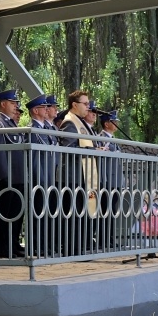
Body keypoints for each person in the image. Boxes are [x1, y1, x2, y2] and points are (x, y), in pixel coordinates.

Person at [59, 90, 99, 255]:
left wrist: (95, 149)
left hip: (84, 175)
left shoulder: (81, 123)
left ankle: (81, 247)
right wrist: (93, 150)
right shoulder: (69, 123)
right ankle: (73, 249)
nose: (88, 107)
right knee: (74, 214)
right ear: (75, 105)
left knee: (82, 213)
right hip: (73, 176)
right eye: (85, 104)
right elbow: (68, 148)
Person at [0, 89, 26, 257]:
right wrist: (3, 175)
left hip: (18, 176)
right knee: (5, 215)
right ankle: (3, 248)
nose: (15, 106)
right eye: (12, 103)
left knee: (16, 214)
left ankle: (13, 244)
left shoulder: (12, 124)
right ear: (3, 104)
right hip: (7, 177)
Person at [27, 94, 55, 256]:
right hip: (40, 179)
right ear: (35, 110)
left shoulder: (47, 129)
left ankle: (46, 244)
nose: (47, 110)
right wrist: (40, 179)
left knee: (48, 213)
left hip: (49, 178)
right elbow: (35, 160)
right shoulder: (33, 130)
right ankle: (37, 245)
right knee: (38, 214)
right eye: (44, 107)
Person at [97, 110, 123, 249]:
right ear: (107, 124)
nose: (117, 124)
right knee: (105, 211)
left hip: (116, 180)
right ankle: (104, 240)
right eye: (114, 121)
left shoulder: (113, 140)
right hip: (107, 181)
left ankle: (111, 238)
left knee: (112, 211)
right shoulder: (100, 138)